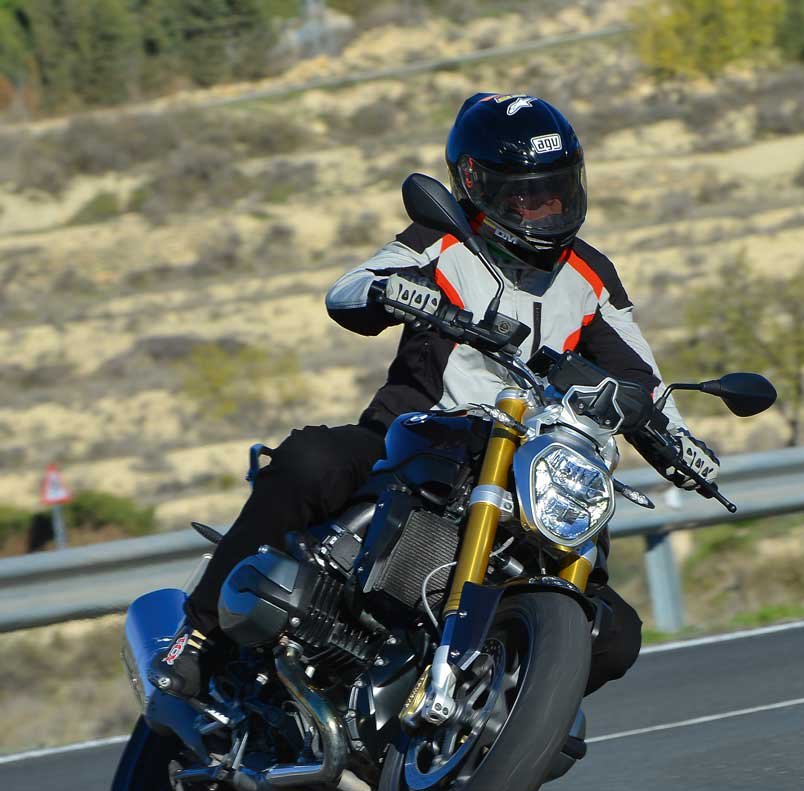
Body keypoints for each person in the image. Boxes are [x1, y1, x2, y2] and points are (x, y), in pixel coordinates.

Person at [150, 92, 719, 702]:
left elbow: (642, 376)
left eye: (554, 191)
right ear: (476, 186)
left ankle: (497, 718)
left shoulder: (590, 274)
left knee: (615, 634)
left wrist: (679, 439)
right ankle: (200, 634)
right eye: (522, 196)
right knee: (310, 460)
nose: (541, 208)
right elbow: (350, 289)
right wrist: (395, 293)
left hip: (533, 468)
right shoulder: (442, 240)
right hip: (416, 435)